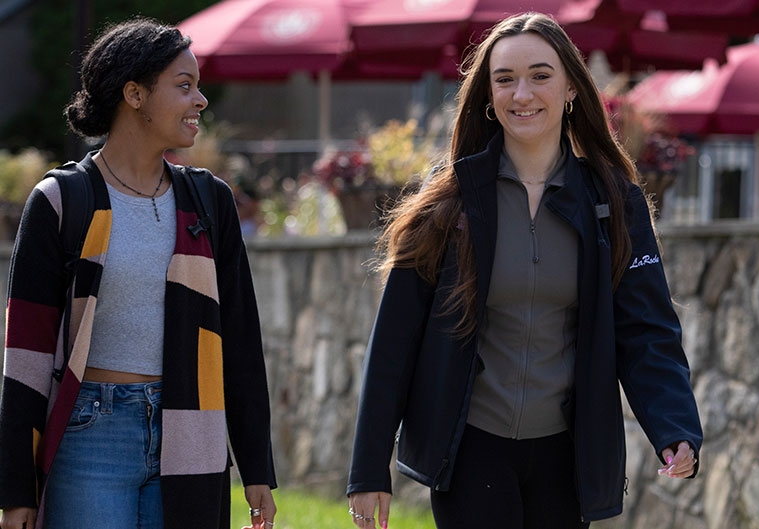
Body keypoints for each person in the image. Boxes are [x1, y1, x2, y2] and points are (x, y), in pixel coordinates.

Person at [346, 12, 702, 529]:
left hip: (566, 458)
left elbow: (647, 331)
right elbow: (394, 342)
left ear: (571, 89)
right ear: (488, 98)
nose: (522, 94)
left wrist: (674, 426)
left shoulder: (614, 205)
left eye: (540, 75)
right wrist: (368, 468)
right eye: (505, 79)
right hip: (471, 454)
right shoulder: (449, 206)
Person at [0, 17, 277, 529]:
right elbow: (26, 356)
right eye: (184, 85)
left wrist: (257, 465)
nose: (201, 101)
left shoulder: (209, 200)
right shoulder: (63, 201)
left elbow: (238, 338)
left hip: (190, 435)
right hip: (89, 435)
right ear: (134, 94)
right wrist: (16, 487)